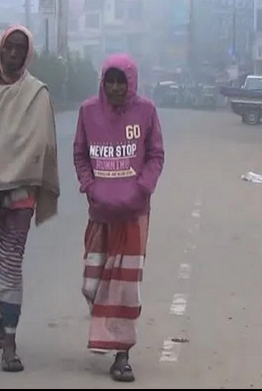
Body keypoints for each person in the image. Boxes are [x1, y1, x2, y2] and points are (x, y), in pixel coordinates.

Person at [0, 25, 60, 373]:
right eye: (9, 48)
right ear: (0, 50)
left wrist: (10, 180)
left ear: (28, 53)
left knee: (10, 261)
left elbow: (40, 145)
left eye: (21, 49)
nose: (14, 55)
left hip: (20, 193)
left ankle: (10, 343)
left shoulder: (37, 94)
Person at [73, 53, 164, 382]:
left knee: (125, 287)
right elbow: (80, 154)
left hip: (133, 213)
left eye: (120, 81)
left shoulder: (147, 112)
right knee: (93, 284)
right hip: (100, 212)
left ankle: (122, 354)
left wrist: (143, 188)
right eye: (109, 80)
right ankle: (106, 331)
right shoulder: (87, 112)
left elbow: (155, 154)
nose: (114, 87)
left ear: (131, 83)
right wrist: (89, 186)